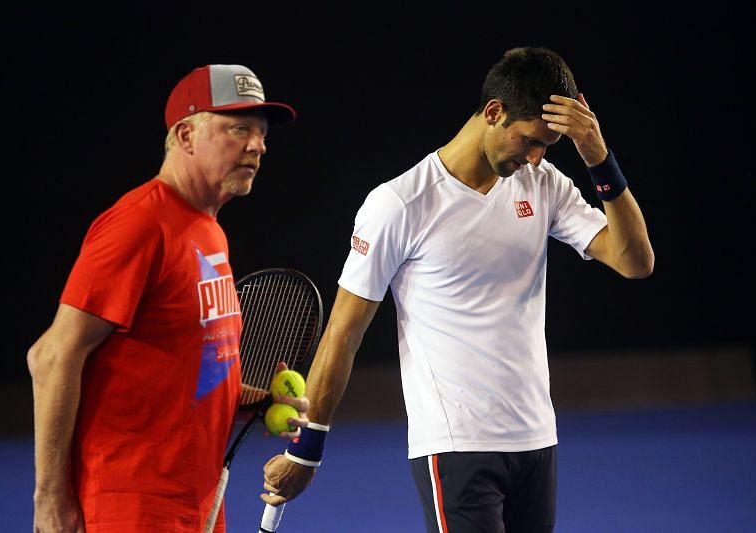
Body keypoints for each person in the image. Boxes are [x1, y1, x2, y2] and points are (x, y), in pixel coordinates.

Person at [261, 46, 655, 532]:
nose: (536, 157)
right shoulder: (399, 204)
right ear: (494, 112)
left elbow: (635, 261)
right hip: (456, 445)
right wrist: (307, 451)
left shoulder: (543, 183)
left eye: (548, 146)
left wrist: (598, 158)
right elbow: (343, 331)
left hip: (536, 440)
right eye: (531, 140)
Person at [27, 64, 307, 532]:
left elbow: (174, 359)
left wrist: (244, 400)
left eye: (261, 135)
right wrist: (50, 501)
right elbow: (52, 355)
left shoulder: (209, 230)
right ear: (185, 135)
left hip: (195, 498)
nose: (257, 146)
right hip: (132, 504)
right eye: (239, 128)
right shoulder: (139, 224)